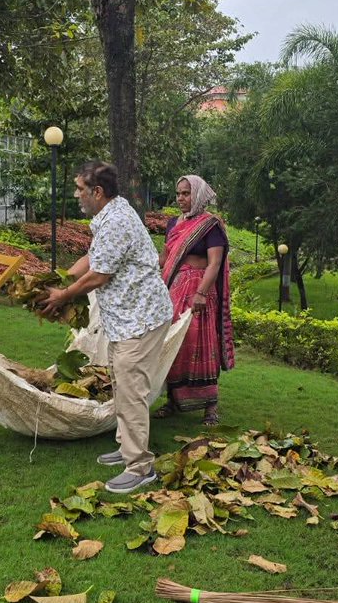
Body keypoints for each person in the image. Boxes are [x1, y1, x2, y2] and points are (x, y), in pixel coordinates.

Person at [41, 161, 172, 494]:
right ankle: (126, 446)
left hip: (140, 319)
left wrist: (63, 296)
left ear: (97, 192)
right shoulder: (111, 214)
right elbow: (93, 258)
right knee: (120, 380)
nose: (77, 195)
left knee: (131, 390)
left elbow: (100, 275)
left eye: (80, 189)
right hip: (126, 318)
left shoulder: (116, 221)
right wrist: (61, 279)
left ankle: (141, 466)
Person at [157, 174, 234, 425]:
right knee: (172, 344)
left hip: (200, 292)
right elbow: (165, 258)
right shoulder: (172, 224)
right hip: (174, 290)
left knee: (201, 343)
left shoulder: (210, 225)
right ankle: (173, 401)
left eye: (186, 193)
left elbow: (215, 262)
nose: (181, 198)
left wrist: (201, 292)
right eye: (178, 193)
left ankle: (210, 406)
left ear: (198, 195)